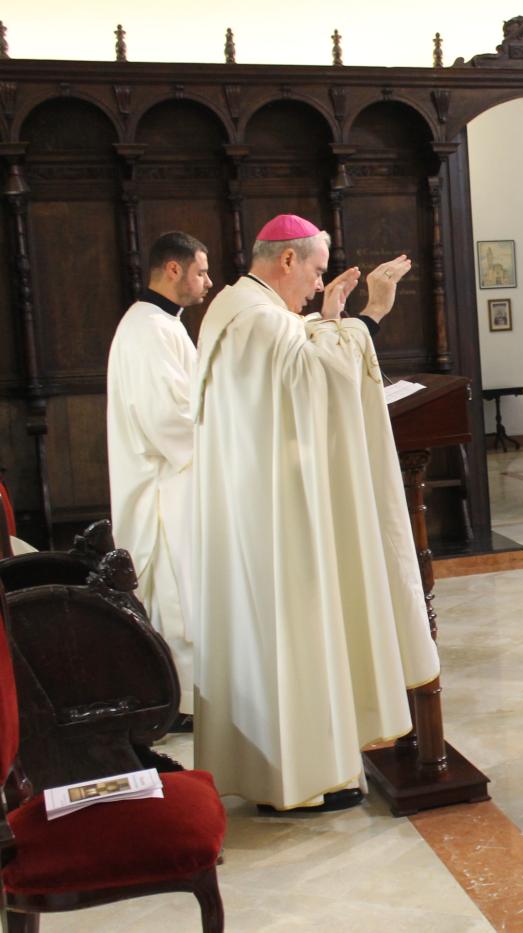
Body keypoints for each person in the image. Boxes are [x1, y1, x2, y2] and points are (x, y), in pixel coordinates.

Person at [190, 214, 438, 812]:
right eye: (316, 272)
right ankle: (303, 779)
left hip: (261, 503)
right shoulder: (255, 319)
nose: (315, 283)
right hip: (280, 516)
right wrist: (367, 314)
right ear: (286, 262)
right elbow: (315, 379)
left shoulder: (238, 311)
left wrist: (329, 316)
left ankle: (287, 772)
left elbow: (299, 349)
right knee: (294, 630)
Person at [106, 231, 212, 725]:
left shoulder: (161, 324)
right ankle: (181, 704)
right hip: (160, 488)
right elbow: (167, 418)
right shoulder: (148, 329)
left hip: (175, 480)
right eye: (200, 271)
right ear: (173, 270)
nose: (207, 282)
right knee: (174, 595)